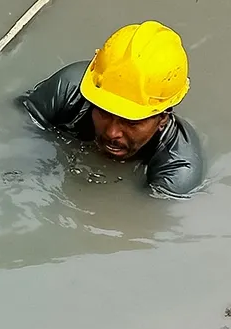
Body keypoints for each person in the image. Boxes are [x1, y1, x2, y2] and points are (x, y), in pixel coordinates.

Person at [19, 20, 204, 198]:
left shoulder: (178, 168)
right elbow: (16, 127)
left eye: (130, 122)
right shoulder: (68, 90)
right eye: (103, 112)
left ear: (163, 117)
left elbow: (145, 213)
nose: (112, 132)